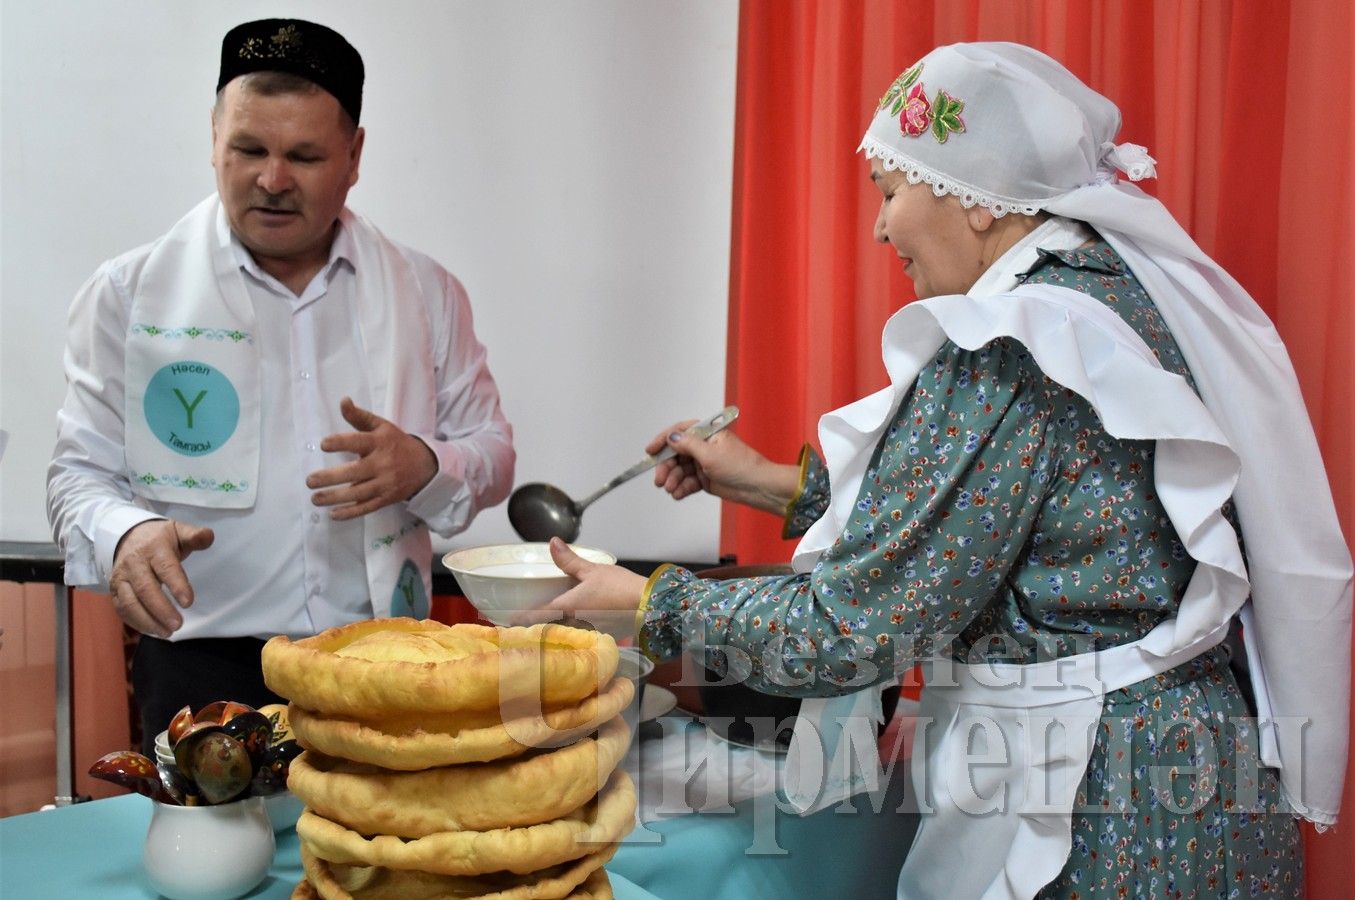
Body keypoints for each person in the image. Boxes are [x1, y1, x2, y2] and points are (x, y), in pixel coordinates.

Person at [536, 43, 1352, 898]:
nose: (882, 227)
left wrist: (650, 599)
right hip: (1200, 778)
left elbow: (855, 629)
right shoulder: (1117, 300)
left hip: (1097, 804)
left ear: (976, 203)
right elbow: (1028, 519)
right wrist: (770, 482)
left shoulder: (1006, 350)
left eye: (890, 192)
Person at [47, 19, 514, 754]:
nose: (271, 179)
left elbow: (491, 452)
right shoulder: (128, 294)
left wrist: (424, 465)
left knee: (378, 862)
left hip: (380, 660)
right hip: (200, 663)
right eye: (247, 149)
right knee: (215, 871)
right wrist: (125, 533)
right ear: (212, 137)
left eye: (303, 155)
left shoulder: (425, 292)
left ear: (355, 156)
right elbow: (77, 478)